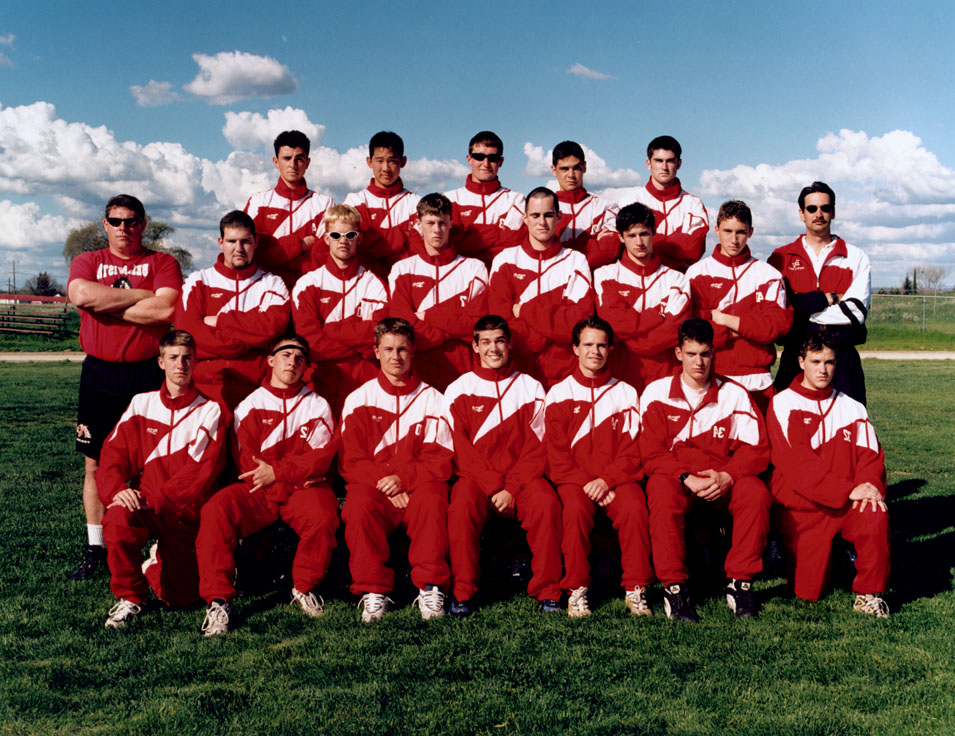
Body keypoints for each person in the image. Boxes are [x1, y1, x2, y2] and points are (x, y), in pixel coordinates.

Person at [66, 194, 183, 580]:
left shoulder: (162, 262)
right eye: (116, 221)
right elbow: (80, 295)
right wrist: (139, 298)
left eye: (131, 221)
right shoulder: (89, 261)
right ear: (105, 224)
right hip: (100, 373)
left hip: (147, 375)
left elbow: (166, 309)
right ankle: (96, 548)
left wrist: (108, 304)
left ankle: (151, 544)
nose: (123, 228)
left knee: (152, 463)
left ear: (143, 224)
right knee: (96, 462)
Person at [195, 334, 340, 635]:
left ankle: (302, 586)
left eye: (300, 357)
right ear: (271, 360)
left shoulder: (318, 405)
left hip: (301, 490)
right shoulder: (250, 404)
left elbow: (320, 458)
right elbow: (247, 462)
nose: (292, 361)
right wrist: (282, 477)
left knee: (323, 515)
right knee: (216, 510)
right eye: (286, 355)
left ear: (306, 367)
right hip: (261, 491)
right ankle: (219, 600)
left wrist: (279, 473)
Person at [640, 318, 771, 621]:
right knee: (660, 489)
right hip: (680, 481)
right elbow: (651, 453)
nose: (698, 362)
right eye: (691, 354)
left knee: (755, 491)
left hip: (720, 480)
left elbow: (757, 449)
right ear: (678, 353)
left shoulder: (734, 393)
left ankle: (741, 583)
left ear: (714, 353)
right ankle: (674, 588)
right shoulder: (656, 392)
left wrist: (729, 476)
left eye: (705, 354)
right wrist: (686, 478)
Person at [97, 330, 226, 628]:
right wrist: (117, 490)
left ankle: (156, 562)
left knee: (182, 599)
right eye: (173, 358)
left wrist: (153, 500)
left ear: (196, 362)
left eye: (187, 358)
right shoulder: (142, 404)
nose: (180, 364)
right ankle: (131, 597)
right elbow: (112, 456)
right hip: (145, 504)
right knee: (117, 518)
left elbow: (199, 475)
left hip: (184, 512)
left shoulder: (209, 410)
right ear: (160, 362)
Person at [444, 315, 562, 615]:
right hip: (477, 479)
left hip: (521, 479)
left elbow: (539, 447)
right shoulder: (459, 389)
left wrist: (511, 488)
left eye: (499, 341)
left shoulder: (530, 387)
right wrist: (495, 487)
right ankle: (464, 591)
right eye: (486, 342)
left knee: (547, 504)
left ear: (509, 344)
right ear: (475, 346)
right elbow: (459, 447)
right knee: (460, 508)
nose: (493, 349)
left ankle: (548, 591)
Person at [767, 331, 890, 616]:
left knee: (874, 512)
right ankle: (826, 555)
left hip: (847, 503)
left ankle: (869, 594)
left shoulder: (853, 407)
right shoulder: (783, 403)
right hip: (803, 507)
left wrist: (869, 487)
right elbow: (798, 465)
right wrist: (848, 489)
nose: (823, 369)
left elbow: (871, 457)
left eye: (830, 362)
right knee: (809, 593)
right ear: (801, 362)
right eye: (816, 361)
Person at [340, 318, 454, 621]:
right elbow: (351, 460)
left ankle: (431, 587)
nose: (396, 356)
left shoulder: (433, 399)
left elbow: (440, 458)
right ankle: (374, 590)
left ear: (413, 351)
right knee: (359, 503)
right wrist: (385, 484)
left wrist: (402, 479)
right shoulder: (359, 399)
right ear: (376, 351)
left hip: (418, 486)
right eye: (388, 349)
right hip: (376, 488)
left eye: (402, 349)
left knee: (433, 498)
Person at [544, 316, 652, 617]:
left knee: (634, 507)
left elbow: (634, 450)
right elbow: (557, 454)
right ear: (575, 349)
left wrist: (607, 480)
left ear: (611, 349)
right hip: (574, 481)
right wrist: (588, 481)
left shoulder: (626, 393)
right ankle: (577, 590)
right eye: (588, 345)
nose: (595, 351)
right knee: (575, 510)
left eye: (602, 345)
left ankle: (636, 589)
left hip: (617, 480)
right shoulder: (559, 393)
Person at [683, 200, 792, 413]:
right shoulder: (696, 273)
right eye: (728, 231)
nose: (734, 240)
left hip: (758, 381)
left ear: (751, 231)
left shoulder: (768, 274)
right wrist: (749, 327)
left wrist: (724, 319)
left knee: (759, 446)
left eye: (741, 232)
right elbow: (694, 333)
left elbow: (775, 328)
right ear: (716, 230)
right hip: (711, 376)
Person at [176, 210, 291, 411]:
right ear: (220, 242)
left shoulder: (273, 283)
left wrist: (220, 322)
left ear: (256, 242)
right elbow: (188, 334)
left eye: (245, 241)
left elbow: (273, 328)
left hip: (257, 391)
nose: (239, 248)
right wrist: (244, 347)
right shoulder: (198, 280)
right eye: (232, 241)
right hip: (205, 388)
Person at [770, 182, 871, 405]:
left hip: (842, 359)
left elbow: (855, 313)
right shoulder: (780, 258)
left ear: (833, 212)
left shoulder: (855, 257)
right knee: (789, 429)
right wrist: (827, 301)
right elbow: (778, 315)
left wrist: (799, 311)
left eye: (825, 208)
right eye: (812, 209)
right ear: (801, 213)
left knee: (848, 431)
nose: (819, 214)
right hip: (795, 358)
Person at [489, 187, 595, 388]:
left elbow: (578, 322)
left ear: (559, 217)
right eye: (535, 215)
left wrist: (526, 311)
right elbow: (500, 322)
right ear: (525, 218)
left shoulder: (575, 261)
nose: (542, 222)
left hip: (565, 375)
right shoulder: (505, 260)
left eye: (548, 215)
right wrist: (546, 334)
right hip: (515, 375)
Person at [291, 203, 388, 415]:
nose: (343, 241)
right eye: (336, 235)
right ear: (326, 239)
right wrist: (355, 349)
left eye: (350, 234)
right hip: (321, 383)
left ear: (359, 238)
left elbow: (379, 336)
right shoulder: (308, 284)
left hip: (365, 384)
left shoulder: (376, 285)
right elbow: (309, 339)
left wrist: (330, 330)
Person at [388, 193, 489, 390]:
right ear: (418, 224)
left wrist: (426, 316)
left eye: (442, 223)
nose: (437, 229)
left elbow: (476, 323)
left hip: (464, 370)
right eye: (430, 222)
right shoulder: (402, 269)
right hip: (417, 371)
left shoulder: (474, 268)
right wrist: (446, 332)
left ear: (451, 223)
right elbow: (402, 324)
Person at [595, 202, 688, 392]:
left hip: (665, 375)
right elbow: (615, 325)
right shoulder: (605, 275)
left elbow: (675, 329)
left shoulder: (677, 279)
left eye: (644, 234)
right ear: (620, 237)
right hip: (619, 375)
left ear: (654, 232)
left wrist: (634, 336)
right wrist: (657, 315)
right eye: (631, 235)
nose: (639, 242)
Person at [244, 130, 335, 288]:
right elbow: (256, 254)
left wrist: (278, 258)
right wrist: (299, 245)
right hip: (265, 290)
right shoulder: (258, 203)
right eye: (287, 158)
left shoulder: (325, 204)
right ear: (276, 161)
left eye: (299, 159)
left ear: (307, 162)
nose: (293, 165)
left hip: (309, 291)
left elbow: (324, 257)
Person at [343, 131, 420, 278]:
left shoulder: (417, 203)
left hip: (407, 281)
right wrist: (402, 235)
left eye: (392, 160)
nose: (385, 168)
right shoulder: (355, 201)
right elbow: (359, 244)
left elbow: (420, 249)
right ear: (369, 161)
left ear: (403, 162)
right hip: (365, 283)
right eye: (379, 161)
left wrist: (373, 236)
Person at [444, 130, 525, 267]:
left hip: (503, 276)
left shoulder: (517, 200)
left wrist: (469, 235)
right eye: (479, 157)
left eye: (492, 158)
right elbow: (453, 244)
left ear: (501, 161)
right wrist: (497, 233)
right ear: (469, 159)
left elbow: (512, 245)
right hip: (461, 278)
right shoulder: (449, 199)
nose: (486, 163)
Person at [628, 135, 709, 272]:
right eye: (659, 161)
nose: (664, 167)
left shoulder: (693, 204)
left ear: (679, 164)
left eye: (670, 161)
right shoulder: (631, 201)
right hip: (639, 278)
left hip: (679, 282)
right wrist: (677, 242)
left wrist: (650, 242)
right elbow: (627, 246)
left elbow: (693, 250)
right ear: (648, 164)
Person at [550, 140, 620, 269]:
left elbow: (608, 252)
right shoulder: (543, 209)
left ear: (584, 167)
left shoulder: (607, 208)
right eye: (564, 169)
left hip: (594, 285)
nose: (571, 175)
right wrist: (593, 240)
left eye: (576, 168)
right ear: (553, 170)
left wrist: (561, 245)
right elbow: (540, 253)